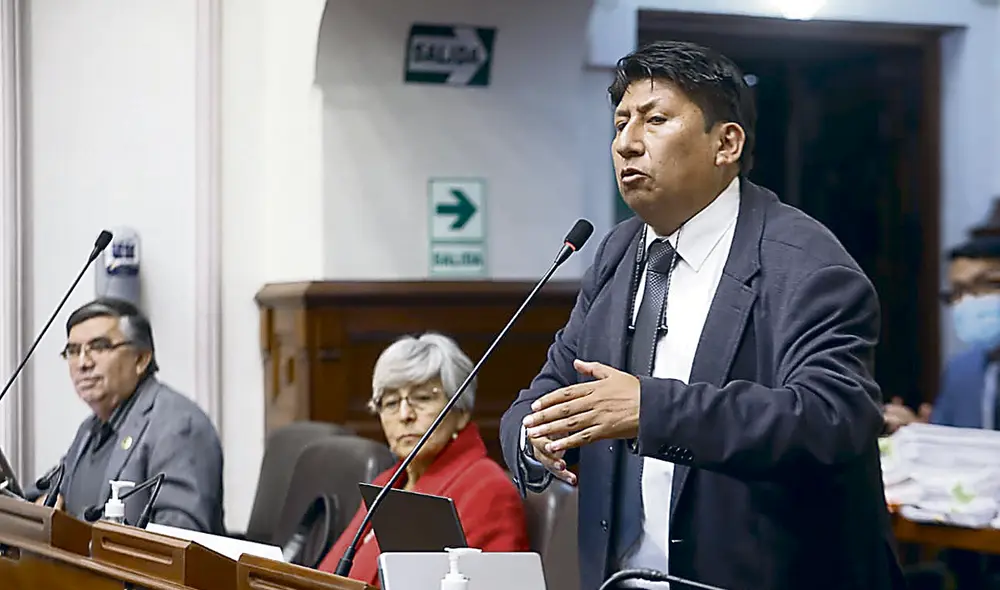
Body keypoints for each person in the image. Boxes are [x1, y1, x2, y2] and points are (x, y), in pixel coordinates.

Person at [500, 41, 905, 590]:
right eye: (620, 124)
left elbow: (834, 416)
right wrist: (535, 434)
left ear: (726, 143)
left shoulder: (805, 263)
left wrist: (652, 409)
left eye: (655, 120)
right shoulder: (618, 252)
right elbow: (552, 386)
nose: (627, 143)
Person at [318, 333, 530, 587]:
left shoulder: (488, 489)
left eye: (423, 398)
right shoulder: (387, 482)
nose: (405, 414)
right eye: (391, 402)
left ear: (460, 411)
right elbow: (325, 578)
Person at [28, 297, 225, 534]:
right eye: (73, 350)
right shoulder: (89, 430)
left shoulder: (179, 426)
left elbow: (181, 539)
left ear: (141, 359)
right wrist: (45, 502)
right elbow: (44, 489)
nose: (83, 363)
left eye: (99, 347)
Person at [884, 230, 1000, 433]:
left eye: (990, 284)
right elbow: (951, 446)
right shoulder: (961, 371)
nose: (969, 300)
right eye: (957, 291)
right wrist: (920, 432)